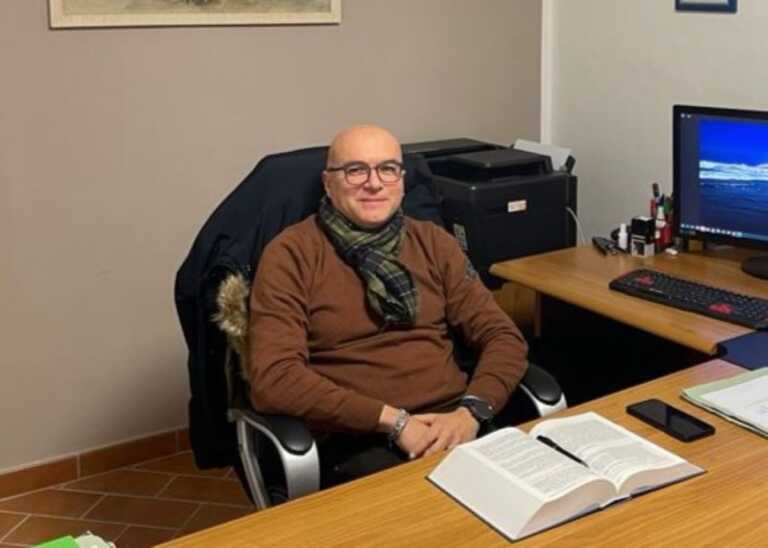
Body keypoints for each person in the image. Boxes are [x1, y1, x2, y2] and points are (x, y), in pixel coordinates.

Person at [248, 125, 528, 486]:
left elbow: (503, 336)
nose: (374, 183)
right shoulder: (291, 255)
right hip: (359, 439)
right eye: (356, 170)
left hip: (456, 422)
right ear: (328, 183)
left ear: (402, 180)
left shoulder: (433, 243)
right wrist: (394, 422)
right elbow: (275, 378)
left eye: (387, 169)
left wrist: (471, 412)